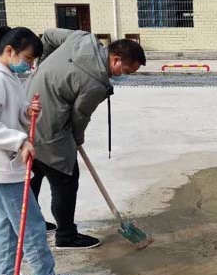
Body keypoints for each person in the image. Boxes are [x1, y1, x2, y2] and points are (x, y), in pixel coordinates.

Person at [0, 26, 78, 275]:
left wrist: (26, 110)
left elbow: (6, 112)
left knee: (8, 223)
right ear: (9, 51)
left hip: (1, 165)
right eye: (28, 59)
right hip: (0, 165)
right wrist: (19, 141)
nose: (30, 66)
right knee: (32, 222)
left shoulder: (6, 76)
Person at [26, 29, 146, 250]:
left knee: (34, 172)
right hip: (50, 126)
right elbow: (80, 115)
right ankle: (66, 236)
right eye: (126, 70)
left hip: (26, 111)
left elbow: (49, 37)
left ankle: (30, 223)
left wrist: (39, 69)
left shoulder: (81, 38)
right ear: (115, 59)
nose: (123, 75)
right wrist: (77, 139)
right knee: (65, 180)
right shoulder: (95, 84)